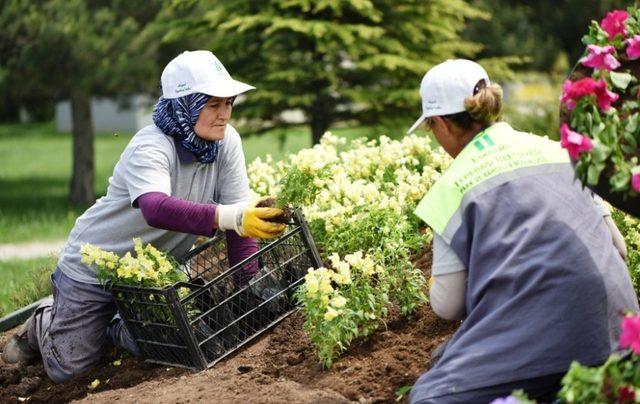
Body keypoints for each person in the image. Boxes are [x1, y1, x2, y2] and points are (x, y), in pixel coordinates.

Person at [1, 50, 286, 383]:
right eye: (213, 104)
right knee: (69, 372)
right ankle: (45, 322)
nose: (225, 114)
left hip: (157, 271)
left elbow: (241, 220)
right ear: (185, 105)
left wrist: (248, 285)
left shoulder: (227, 143)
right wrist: (230, 217)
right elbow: (155, 208)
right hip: (95, 267)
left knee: (179, 345)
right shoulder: (151, 146)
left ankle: (118, 325)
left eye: (229, 103)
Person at [406, 59, 639, 403]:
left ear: (441, 124)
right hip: (619, 335)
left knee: (429, 394)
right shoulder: (559, 152)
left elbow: (447, 305)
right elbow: (618, 246)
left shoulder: (451, 188)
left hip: (539, 343)